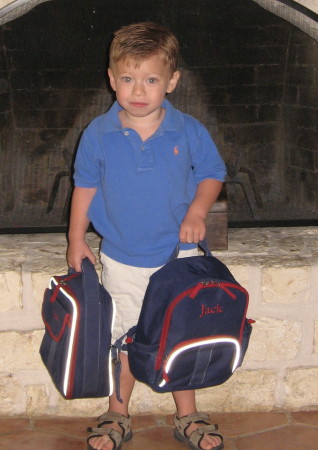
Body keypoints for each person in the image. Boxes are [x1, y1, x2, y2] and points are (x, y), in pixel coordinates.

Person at [67, 22, 226, 450]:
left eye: (151, 79)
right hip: (121, 258)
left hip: (179, 256)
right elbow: (84, 186)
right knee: (124, 337)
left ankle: (187, 414)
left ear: (171, 82)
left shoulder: (188, 130)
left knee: (182, 334)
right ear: (111, 79)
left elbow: (212, 174)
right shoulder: (97, 135)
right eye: (128, 78)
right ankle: (118, 414)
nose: (139, 90)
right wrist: (76, 238)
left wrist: (197, 210)